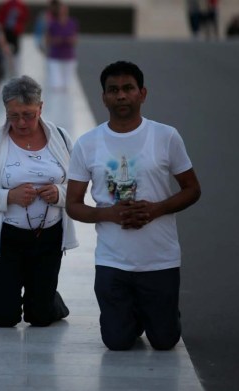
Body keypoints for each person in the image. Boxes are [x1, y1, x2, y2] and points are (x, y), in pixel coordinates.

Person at [66, 61, 201, 351]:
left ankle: (153, 314)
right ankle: (131, 316)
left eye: (128, 88)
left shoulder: (166, 137)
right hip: (113, 262)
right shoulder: (88, 144)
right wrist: (109, 214)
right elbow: (73, 205)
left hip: (159, 259)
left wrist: (156, 209)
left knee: (165, 342)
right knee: (117, 342)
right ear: (104, 97)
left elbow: (192, 189)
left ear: (142, 93)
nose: (121, 96)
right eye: (113, 90)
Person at [0, 75, 78, 328]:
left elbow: (79, 187)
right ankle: (3, 293)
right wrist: (8, 196)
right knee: (4, 318)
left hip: (49, 237)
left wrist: (59, 194)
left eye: (28, 114)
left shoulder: (61, 138)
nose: (21, 122)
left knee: (40, 318)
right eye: (13, 116)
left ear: (41, 108)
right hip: (8, 238)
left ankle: (46, 297)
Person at [45, 1, 78, 92]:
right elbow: (47, 40)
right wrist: (55, 40)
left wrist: (70, 40)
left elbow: (75, 40)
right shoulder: (52, 24)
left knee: (67, 86)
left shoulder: (72, 23)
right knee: (56, 85)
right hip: (55, 57)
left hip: (68, 57)